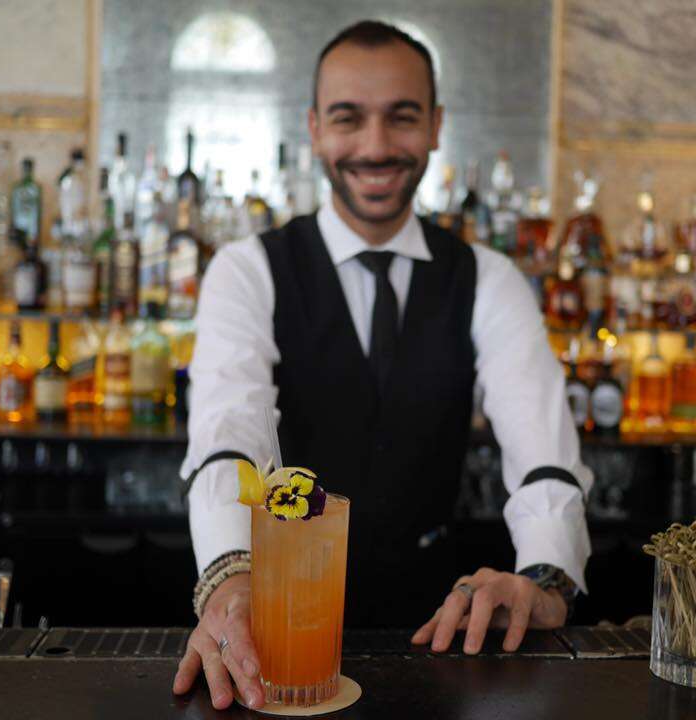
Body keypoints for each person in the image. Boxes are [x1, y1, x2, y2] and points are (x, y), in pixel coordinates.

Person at [172, 20, 592, 710]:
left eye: (401, 118)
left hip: (437, 644)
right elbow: (228, 434)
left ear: (435, 126)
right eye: (347, 118)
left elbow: (543, 445)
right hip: (273, 632)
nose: (375, 146)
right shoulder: (248, 271)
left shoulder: (489, 278)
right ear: (313, 129)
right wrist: (228, 579)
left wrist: (544, 580)